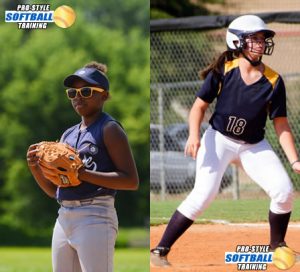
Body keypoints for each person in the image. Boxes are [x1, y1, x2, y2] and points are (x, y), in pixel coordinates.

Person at [150, 15, 300, 267]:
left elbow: (281, 124)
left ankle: (277, 246)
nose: (260, 44)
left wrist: (295, 160)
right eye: (253, 39)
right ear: (237, 41)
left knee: (284, 191)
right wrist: (194, 135)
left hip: (253, 145)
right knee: (203, 195)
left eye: (262, 39)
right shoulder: (225, 70)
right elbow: (198, 107)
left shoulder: (274, 81)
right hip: (218, 140)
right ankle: (159, 250)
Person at [26, 61, 139, 272]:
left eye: (86, 91)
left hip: (95, 215)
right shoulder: (67, 135)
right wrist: (35, 169)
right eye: (73, 92)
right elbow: (55, 191)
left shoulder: (109, 129)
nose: (78, 96)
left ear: (103, 95)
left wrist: (84, 174)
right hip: (64, 216)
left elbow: (130, 181)